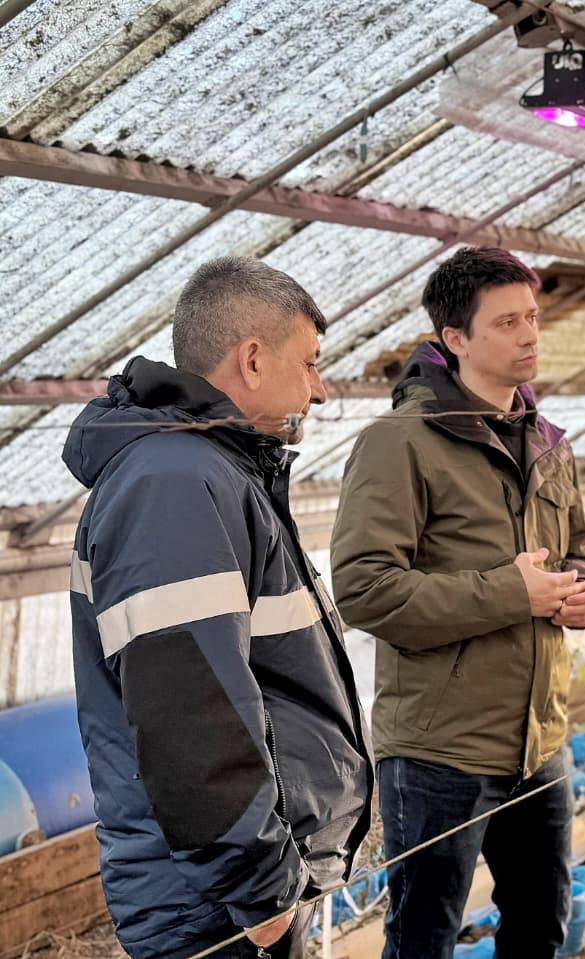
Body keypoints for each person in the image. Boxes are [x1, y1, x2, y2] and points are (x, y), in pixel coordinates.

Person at [63, 257, 373, 958]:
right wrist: (262, 896)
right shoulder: (174, 483)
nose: (320, 390)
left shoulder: (212, 471)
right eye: (310, 363)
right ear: (253, 360)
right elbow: (191, 712)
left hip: (230, 892)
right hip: (215, 906)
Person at [330, 246, 585, 959]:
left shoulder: (548, 442)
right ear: (455, 338)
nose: (529, 335)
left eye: (533, 317)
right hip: (439, 751)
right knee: (424, 941)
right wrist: (512, 592)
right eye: (507, 322)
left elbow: (576, 548)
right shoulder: (400, 444)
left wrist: (584, 591)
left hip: (539, 739)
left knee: (540, 927)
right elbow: (364, 589)